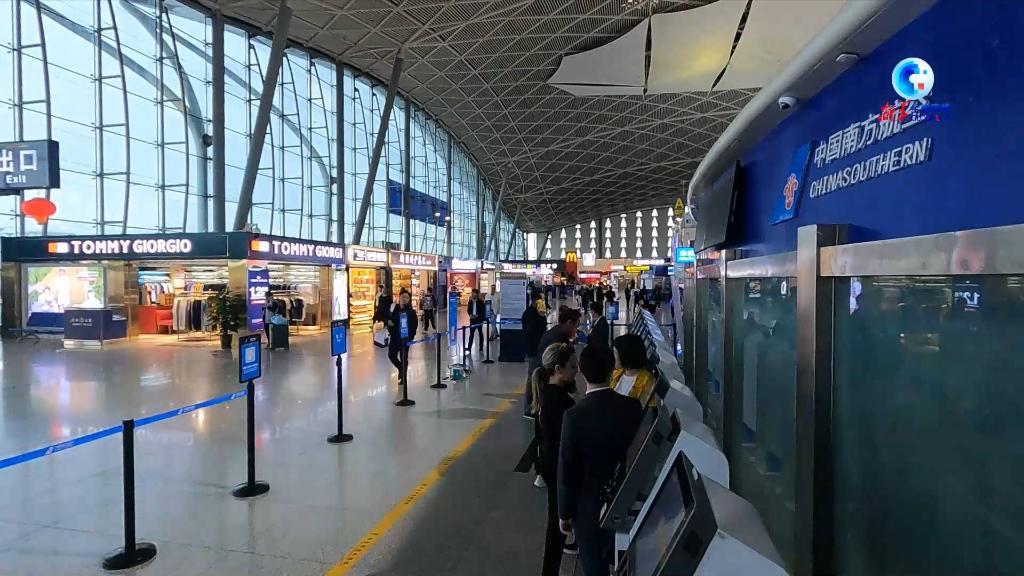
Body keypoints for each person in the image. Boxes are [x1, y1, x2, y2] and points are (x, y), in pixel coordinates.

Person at [558, 344, 644, 576]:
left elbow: (567, 470)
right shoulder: (632, 407)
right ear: (612, 370)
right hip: (626, 500)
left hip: (587, 508)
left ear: (581, 371)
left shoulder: (573, 416)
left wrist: (564, 513)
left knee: (594, 566)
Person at [534, 343, 579, 576]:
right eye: (572, 366)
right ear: (558, 370)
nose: (577, 370)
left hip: (550, 464)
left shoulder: (547, 396)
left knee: (556, 522)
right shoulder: (561, 403)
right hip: (558, 467)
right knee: (557, 525)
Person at [610, 333, 657, 404]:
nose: (612, 356)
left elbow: (647, 408)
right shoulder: (616, 374)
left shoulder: (647, 382)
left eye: (615, 353)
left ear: (625, 355)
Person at [521, 297, 548, 419]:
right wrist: (542, 317)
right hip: (534, 350)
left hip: (537, 349)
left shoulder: (534, 313)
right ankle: (529, 408)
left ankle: (536, 405)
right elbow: (532, 332)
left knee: (536, 376)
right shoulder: (530, 314)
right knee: (532, 377)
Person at [387, 289, 418, 384]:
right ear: (399, 297)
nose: (405, 299)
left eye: (407, 298)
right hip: (394, 337)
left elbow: (414, 325)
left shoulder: (411, 311)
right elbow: (389, 318)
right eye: (403, 297)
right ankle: (401, 368)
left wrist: (410, 337)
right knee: (391, 355)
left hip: (405, 339)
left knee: (403, 358)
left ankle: (403, 377)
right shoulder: (394, 308)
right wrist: (389, 322)